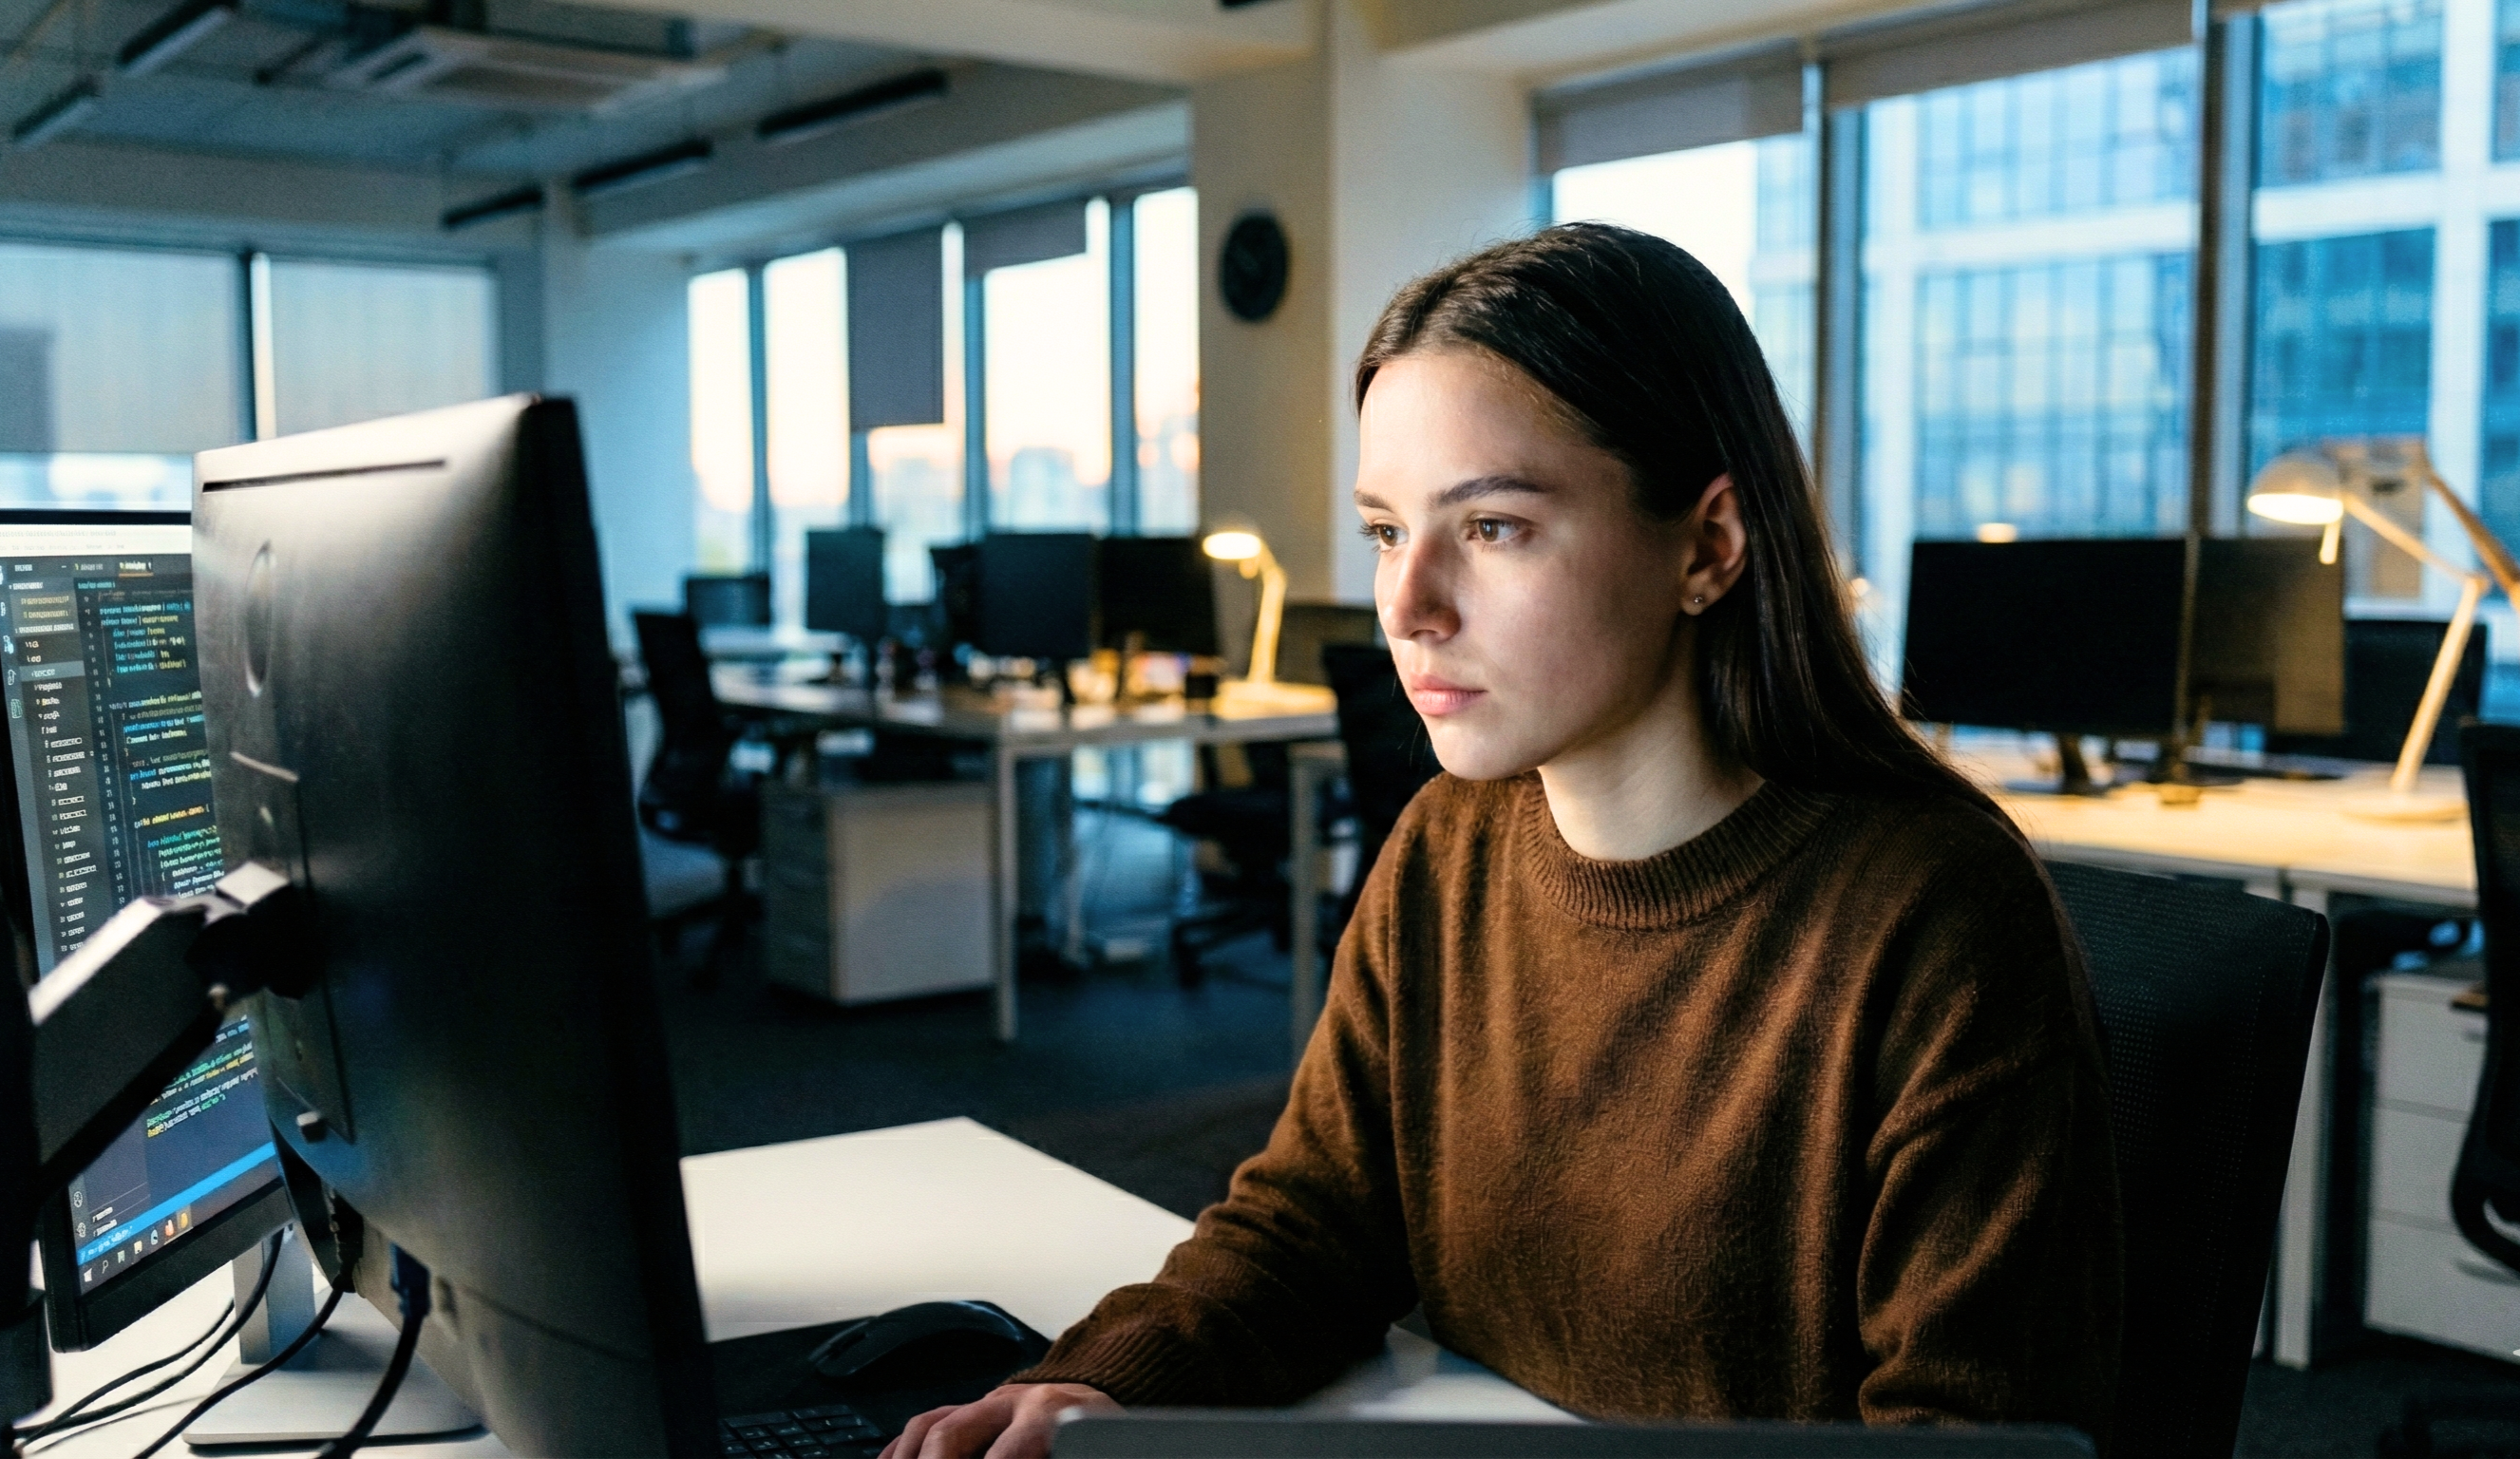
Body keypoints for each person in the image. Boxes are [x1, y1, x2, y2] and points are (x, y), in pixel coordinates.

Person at [882, 223, 2122, 1459]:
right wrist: (1107, 1393)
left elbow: (1958, 1437)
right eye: (1384, 530)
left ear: (1707, 546)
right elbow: (1317, 1218)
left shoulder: (1935, 916)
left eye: (1491, 528)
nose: (1406, 608)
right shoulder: (1449, 845)